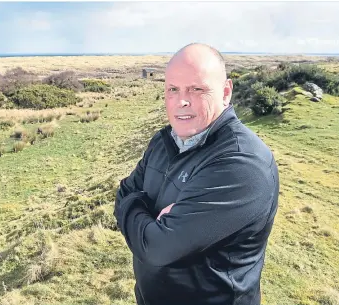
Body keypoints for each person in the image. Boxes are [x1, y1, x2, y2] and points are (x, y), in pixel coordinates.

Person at [114, 43, 279, 305]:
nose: (181, 100)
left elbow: (157, 248)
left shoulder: (242, 164)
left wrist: (134, 208)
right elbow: (124, 193)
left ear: (226, 92)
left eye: (197, 89)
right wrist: (144, 214)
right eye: (173, 89)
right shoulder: (163, 141)